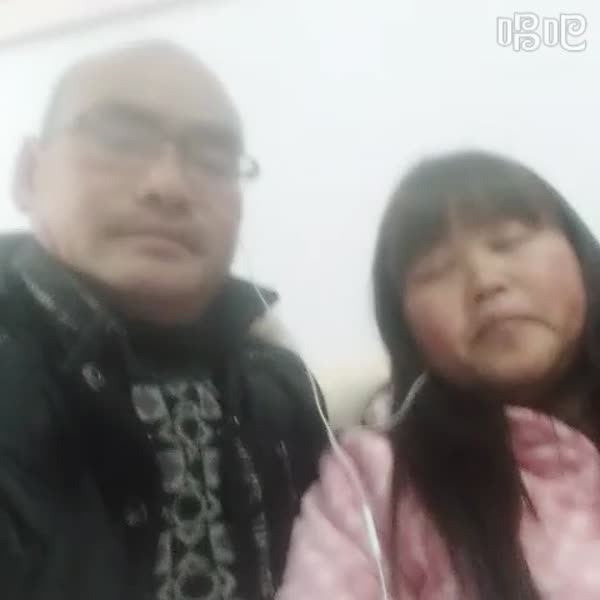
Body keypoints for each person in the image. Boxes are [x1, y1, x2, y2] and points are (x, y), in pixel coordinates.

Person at [2, 40, 327, 600]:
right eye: (121, 139)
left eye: (212, 159)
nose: (168, 187)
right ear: (30, 174)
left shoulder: (282, 387)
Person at [277, 150, 600, 599]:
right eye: (436, 270)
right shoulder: (373, 483)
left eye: (508, 242)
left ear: (580, 254)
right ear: (405, 326)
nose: (485, 281)